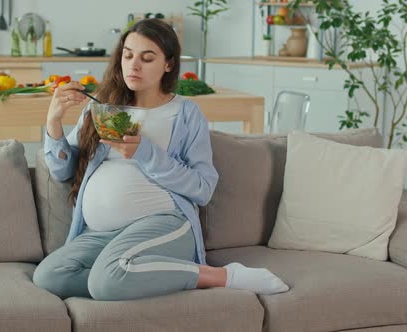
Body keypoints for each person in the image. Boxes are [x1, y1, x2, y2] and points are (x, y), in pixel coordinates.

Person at [33, 18, 289, 301]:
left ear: (168, 64)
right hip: (104, 234)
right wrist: (53, 121)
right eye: (128, 55)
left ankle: (222, 276)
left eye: (147, 57)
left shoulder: (186, 114)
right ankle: (128, 274)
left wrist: (144, 153)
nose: (134, 65)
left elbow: (203, 189)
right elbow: (61, 170)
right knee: (49, 276)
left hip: (165, 223)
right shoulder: (103, 108)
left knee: (105, 282)